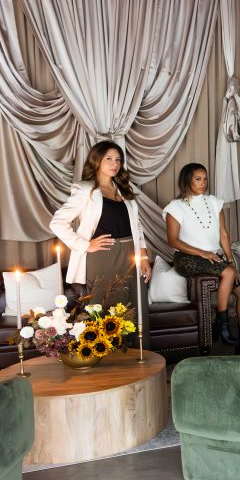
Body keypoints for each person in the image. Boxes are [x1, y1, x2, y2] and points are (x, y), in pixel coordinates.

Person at [50, 141, 152, 348]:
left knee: (135, 306)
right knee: (104, 307)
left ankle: (138, 357)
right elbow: (57, 222)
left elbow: (137, 226)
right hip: (103, 256)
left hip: (131, 255)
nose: (115, 164)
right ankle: (105, 360)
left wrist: (143, 257)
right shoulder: (85, 189)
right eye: (109, 159)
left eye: (118, 160)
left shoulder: (123, 189)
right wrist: (85, 245)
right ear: (97, 160)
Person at [163, 163, 240, 353]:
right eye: (198, 179)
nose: (203, 183)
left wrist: (230, 260)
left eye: (205, 179)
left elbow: (224, 235)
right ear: (187, 180)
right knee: (228, 274)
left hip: (213, 257)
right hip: (187, 258)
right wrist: (202, 252)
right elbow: (172, 241)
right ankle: (222, 324)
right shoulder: (175, 206)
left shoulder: (214, 201)